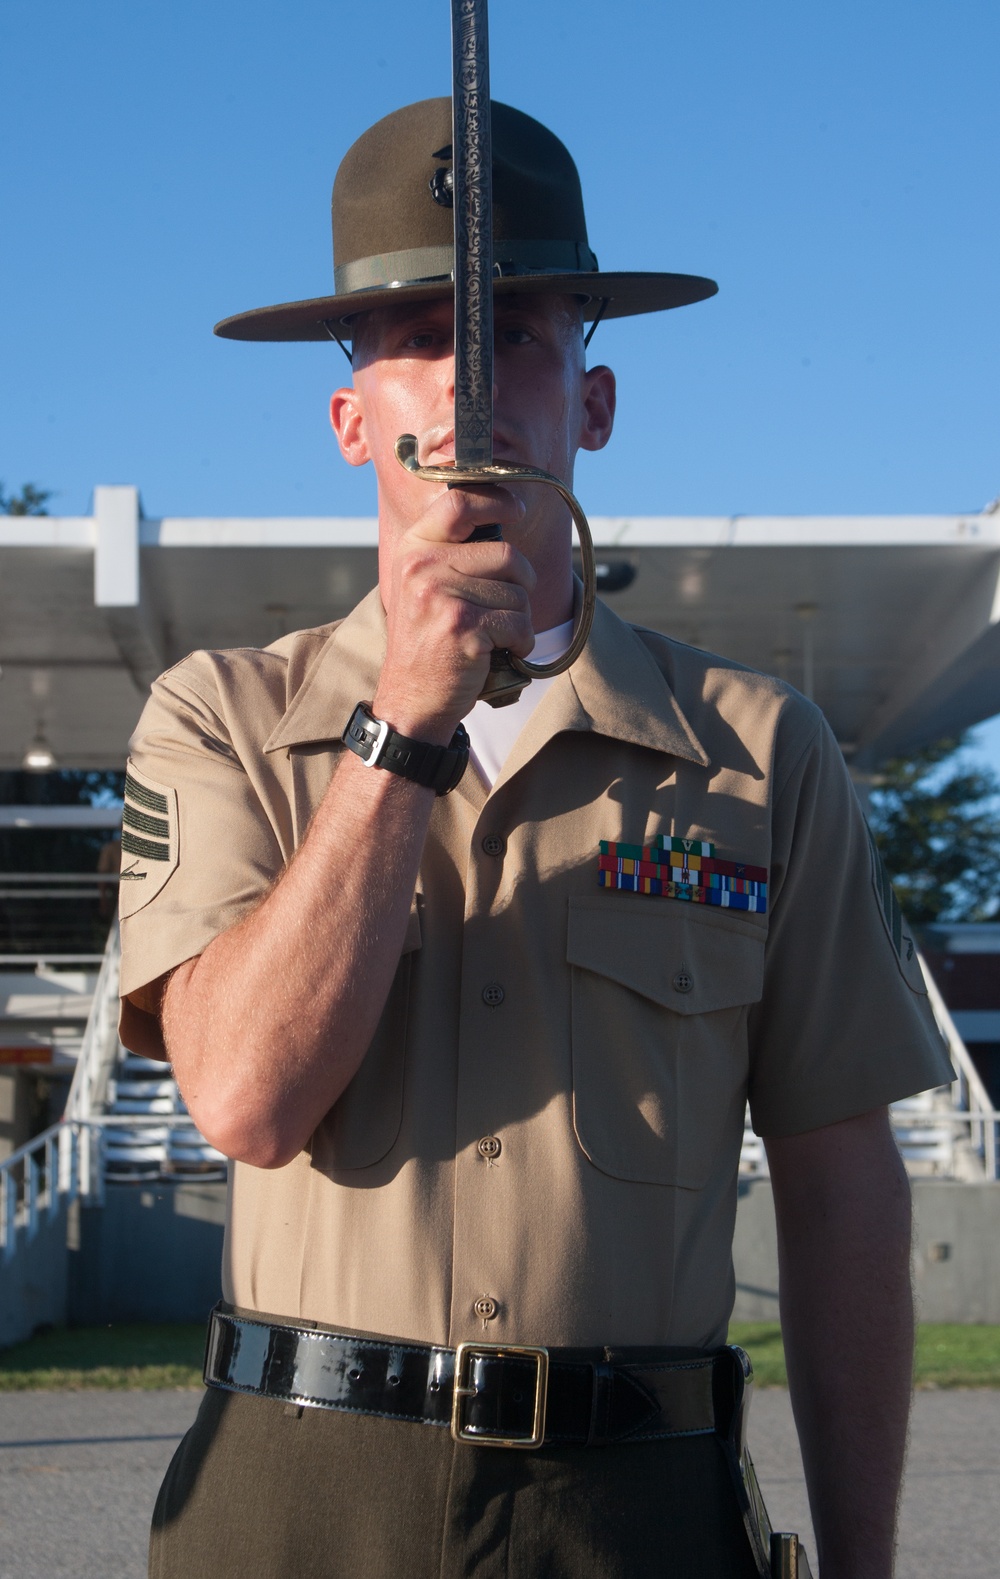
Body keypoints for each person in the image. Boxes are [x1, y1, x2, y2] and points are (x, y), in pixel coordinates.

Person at [118, 99, 951, 1579]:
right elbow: (243, 1099)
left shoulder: (761, 753)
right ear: (350, 417)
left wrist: (866, 1560)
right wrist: (399, 734)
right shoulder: (226, 720)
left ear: (596, 399)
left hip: (633, 1509)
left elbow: (840, 1186)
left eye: (518, 334)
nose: (474, 389)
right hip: (303, 1500)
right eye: (418, 334)